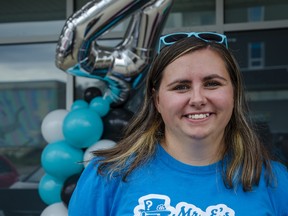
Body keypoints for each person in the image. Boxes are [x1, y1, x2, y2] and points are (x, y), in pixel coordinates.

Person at [68, 32, 288, 215]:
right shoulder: (106, 176)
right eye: (181, 86)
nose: (198, 99)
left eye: (212, 83)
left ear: (234, 93)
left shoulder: (276, 182)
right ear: (157, 100)